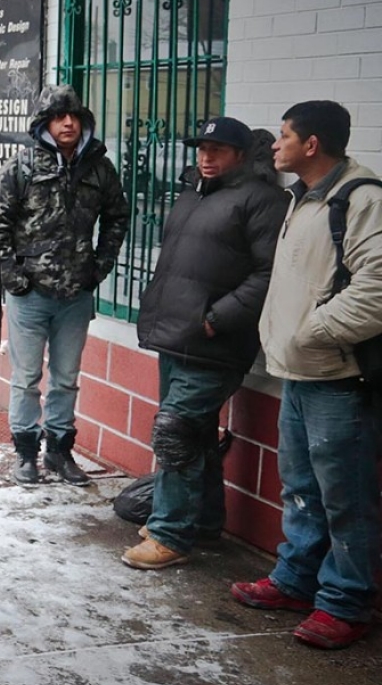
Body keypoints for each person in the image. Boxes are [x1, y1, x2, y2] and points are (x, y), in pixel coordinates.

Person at [231, 100, 382, 651]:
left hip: (338, 377)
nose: (274, 145)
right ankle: (296, 580)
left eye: (285, 136)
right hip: (301, 373)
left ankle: (346, 603)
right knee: (302, 487)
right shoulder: (305, 198)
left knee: (346, 494)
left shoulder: (360, 200)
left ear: (311, 145)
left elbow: (376, 288)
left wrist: (310, 333)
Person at [122, 118, 287, 570]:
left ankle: (170, 533)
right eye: (201, 148)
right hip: (178, 337)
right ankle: (204, 521)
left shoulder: (263, 201)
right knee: (192, 433)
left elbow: (269, 273)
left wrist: (216, 319)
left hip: (216, 342)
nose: (206, 157)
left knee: (174, 431)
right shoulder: (193, 193)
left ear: (241, 155)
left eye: (218, 150)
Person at [0, 85, 130, 487]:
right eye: (58, 116)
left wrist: (100, 266)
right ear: (44, 123)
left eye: (74, 116)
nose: (68, 123)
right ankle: (27, 454)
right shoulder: (23, 165)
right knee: (27, 378)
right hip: (30, 294)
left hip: (75, 295)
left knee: (66, 377)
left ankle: (60, 452)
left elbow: (118, 215)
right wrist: (12, 276)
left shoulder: (99, 168)